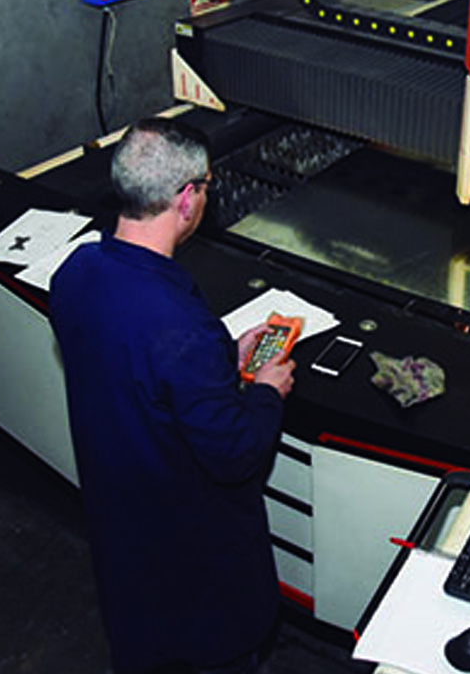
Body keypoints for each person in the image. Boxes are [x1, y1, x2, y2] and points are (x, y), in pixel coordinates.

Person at [50, 117, 296, 674]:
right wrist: (266, 390)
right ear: (187, 198)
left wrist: (221, 354)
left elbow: (129, 362)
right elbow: (234, 452)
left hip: (123, 535)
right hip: (197, 567)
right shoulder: (182, 330)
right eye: (205, 186)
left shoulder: (75, 272)